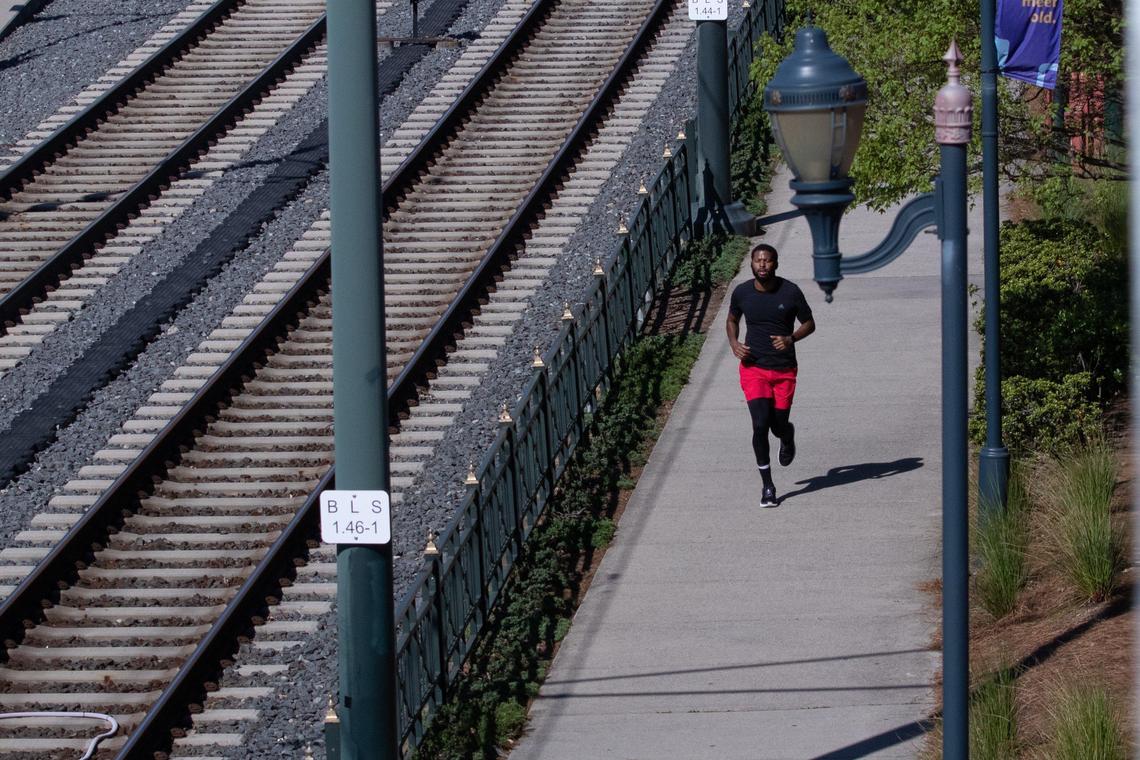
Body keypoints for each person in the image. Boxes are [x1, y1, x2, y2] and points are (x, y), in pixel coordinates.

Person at [726, 243, 815, 507]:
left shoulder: (790, 292)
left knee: (778, 425)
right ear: (751, 264)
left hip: (784, 369)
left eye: (768, 261)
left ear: (776, 263)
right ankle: (768, 486)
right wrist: (734, 343)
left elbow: (809, 323)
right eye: (758, 261)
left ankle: (787, 436)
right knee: (760, 425)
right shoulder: (742, 292)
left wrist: (791, 338)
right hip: (754, 368)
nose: (762, 265)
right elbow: (732, 319)